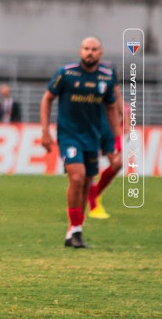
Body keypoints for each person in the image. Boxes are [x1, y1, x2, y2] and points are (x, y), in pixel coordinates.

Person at [40, 37, 121, 248]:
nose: (90, 52)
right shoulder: (66, 73)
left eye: (94, 49)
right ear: (80, 51)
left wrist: (115, 139)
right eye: (86, 48)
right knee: (77, 177)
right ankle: (75, 229)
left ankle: (74, 230)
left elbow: (112, 109)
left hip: (93, 136)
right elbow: (47, 98)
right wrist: (45, 132)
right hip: (69, 135)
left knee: (86, 183)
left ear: (101, 53)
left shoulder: (107, 76)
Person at [86, 61, 126, 219]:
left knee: (117, 163)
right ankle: (94, 206)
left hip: (108, 129)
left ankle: (94, 193)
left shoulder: (111, 86)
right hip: (90, 128)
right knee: (90, 168)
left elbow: (118, 101)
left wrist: (126, 122)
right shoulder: (88, 85)